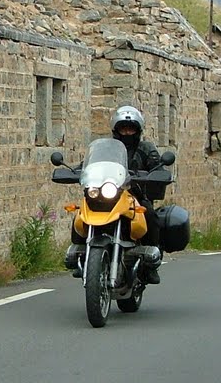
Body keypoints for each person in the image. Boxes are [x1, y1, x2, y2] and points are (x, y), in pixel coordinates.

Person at [65, 105, 164, 284]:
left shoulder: (146, 148)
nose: (127, 132)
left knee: (148, 212)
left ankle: (151, 262)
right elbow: (88, 166)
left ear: (138, 130)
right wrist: (76, 171)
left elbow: (157, 166)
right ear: (115, 130)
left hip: (134, 194)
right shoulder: (105, 149)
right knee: (81, 211)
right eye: (123, 128)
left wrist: (156, 173)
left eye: (131, 128)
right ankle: (79, 253)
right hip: (107, 193)